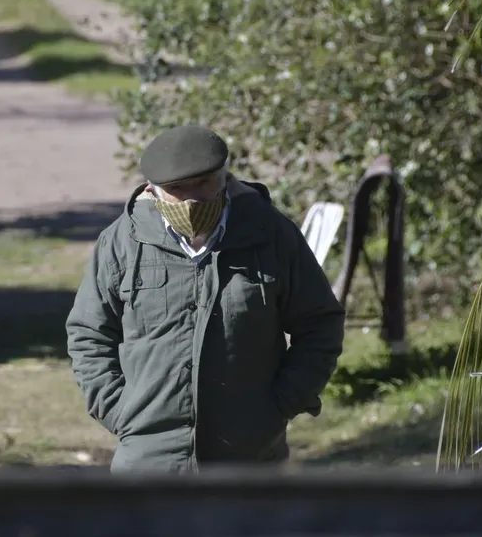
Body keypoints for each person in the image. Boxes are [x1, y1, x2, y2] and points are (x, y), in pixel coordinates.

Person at [66, 124, 346, 473]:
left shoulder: (271, 234)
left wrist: (282, 404)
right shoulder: (121, 242)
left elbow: (320, 324)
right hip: (148, 463)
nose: (192, 200)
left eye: (203, 183)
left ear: (224, 177)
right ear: (152, 189)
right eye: (177, 189)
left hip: (250, 461)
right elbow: (89, 334)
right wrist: (119, 410)